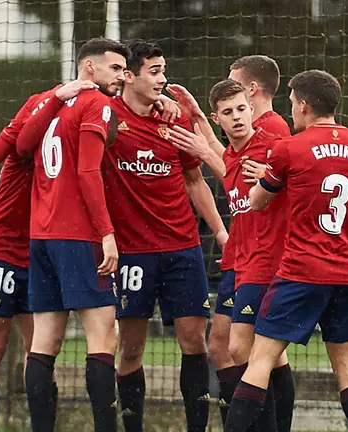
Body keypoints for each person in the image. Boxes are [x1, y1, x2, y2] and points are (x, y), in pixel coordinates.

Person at [223, 70, 348, 432]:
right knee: (347, 367)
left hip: (300, 272)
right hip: (346, 274)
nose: (291, 110)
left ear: (304, 105)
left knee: (260, 360)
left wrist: (267, 179)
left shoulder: (288, 148)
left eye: (292, 103)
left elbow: (257, 202)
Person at [102, 40, 228, 432]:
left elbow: (195, 180)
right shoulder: (106, 118)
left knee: (196, 343)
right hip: (133, 254)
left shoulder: (172, 120)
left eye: (163, 70)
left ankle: (198, 428)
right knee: (131, 350)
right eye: (154, 71)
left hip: (182, 248)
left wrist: (222, 233)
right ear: (129, 76)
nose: (162, 79)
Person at [165, 55, 296, 431]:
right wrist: (198, 120)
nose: (238, 116)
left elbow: (272, 187)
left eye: (242, 108)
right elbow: (226, 161)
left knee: (248, 351)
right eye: (229, 112)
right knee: (241, 349)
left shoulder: (271, 142)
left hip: (266, 261)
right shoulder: (235, 150)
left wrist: (205, 151)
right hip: (241, 259)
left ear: (251, 105)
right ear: (220, 118)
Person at [0, 78, 97, 432]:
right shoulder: (28, 142)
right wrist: (52, 98)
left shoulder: (79, 142)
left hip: (40, 251)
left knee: (40, 348)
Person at [14, 37, 130, 432]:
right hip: (79, 236)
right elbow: (86, 171)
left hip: (42, 235)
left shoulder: (55, 101)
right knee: (103, 338)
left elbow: (22, 145)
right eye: (115, 68)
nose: (122, 76)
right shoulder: (94, 102)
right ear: (89, 68)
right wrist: (107, 233)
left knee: (44, 342)